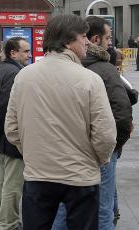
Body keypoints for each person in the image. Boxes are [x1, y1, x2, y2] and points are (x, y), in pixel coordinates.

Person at [5, 14, 117, 230]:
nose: (87, 42)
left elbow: (11, 129)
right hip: (81, 177)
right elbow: (105, 134)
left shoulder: (24, 76)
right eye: (83, 36)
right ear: (67, 40)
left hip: (38, 175)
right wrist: (98, 160)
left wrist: (32, 153)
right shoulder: (90, 79)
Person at [52, 16, 133, 230]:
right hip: (101, 152)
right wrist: (113, 147)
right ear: (94, 39)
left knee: (64, 206)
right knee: (103, 210)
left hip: (68, 151)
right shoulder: (104, 70)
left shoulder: (62, 69)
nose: (110, 42)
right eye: (108, 37)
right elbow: (123, 115)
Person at [0, 37, 30, 230]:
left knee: (1, 180)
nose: (29, 55)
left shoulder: (1, 69)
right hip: (10, 136)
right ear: (13, 53)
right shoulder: (15, 73)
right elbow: (5, 107)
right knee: (12, 185)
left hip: (1, 135)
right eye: (25, 51)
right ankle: (9, 223)